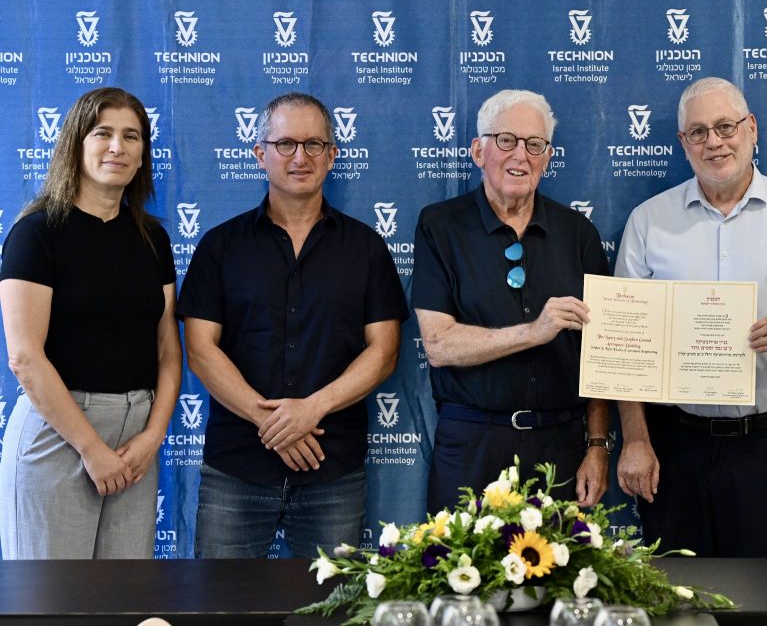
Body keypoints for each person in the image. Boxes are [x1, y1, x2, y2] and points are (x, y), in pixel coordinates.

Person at [614, 77, 767, 557]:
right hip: (673, 445)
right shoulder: (649, 221)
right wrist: (637, 439)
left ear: (752, 129)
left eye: (725, 126)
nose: (715, 142)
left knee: (765, 598)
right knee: (675, 596)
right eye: (699, 132)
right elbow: (624, 343)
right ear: (684, 143)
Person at [178, 92, 407, 558]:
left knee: (331, 611)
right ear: (260, 154)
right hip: (236, 467)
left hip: (333, 470)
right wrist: (275, 423)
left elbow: (383, 352)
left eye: (314, 144)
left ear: (332, 155)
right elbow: (201, 350)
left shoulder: (366, 248)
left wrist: (312, 409)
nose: (300, 157)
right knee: (221, 609)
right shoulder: (220, 246)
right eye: (285, 144)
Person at [0, 87, 181, 559]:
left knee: (122, 601)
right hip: (58, 433)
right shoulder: (36, 234)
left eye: (132, 136)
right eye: (103, 133)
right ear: (75, 144)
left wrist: (151, 437)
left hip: (136, 441)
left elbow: (167, 350)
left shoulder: (154, 240)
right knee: (51, 604)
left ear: (143, 155)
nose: (117, 147)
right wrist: (92, 449)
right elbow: (24, 357)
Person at [413, 89, 611, 512]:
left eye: (534, 144)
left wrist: (597, 446)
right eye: (506, 140)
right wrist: (533, 332)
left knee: (560, 576)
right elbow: (439, 345)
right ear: (478, 151)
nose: (520, 154)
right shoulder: (440, 226)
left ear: (548, 156)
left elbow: (603, 354)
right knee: (458, 576)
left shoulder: (579, 235)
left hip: (560, 446)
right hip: (471, 446)